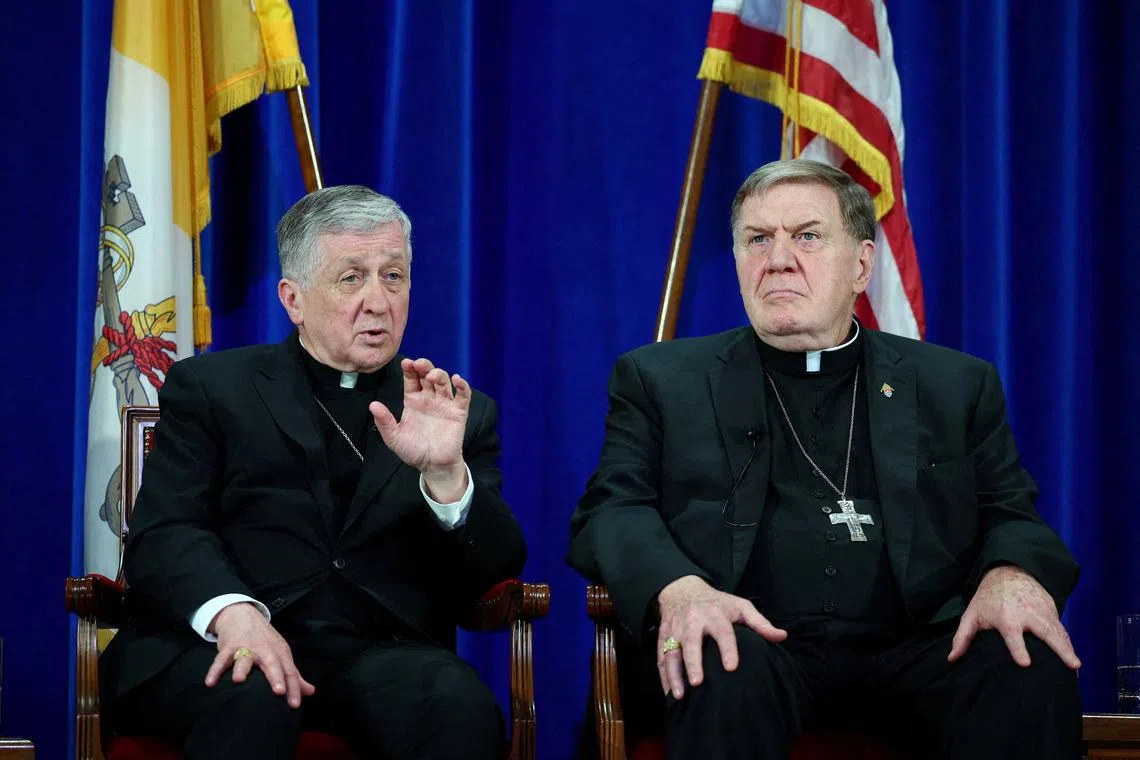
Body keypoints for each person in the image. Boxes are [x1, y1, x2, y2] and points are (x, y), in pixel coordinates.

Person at [568, 159, 1081, 759]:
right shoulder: (660, 380)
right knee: (720, 657)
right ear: (737, 261)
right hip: (755, 644)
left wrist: (1010, 575)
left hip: (914, 647)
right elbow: (611, 511)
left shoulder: (954, 385)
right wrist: (680, 590)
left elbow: (1011, 512)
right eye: (758, 239)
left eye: (807, 236)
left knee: (1025, 663)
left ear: (861, 265)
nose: (779, 258)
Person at [100, 185, 527, 760]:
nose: (378, 301)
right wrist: (232, 614)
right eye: (352, 278)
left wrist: (446, 474)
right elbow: (165, 533)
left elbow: (492, 575)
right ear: (293, 299)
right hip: (220, 643)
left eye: (393, 276)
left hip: (379, 654)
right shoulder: (212, 389)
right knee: (253, 688)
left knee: (454, 703)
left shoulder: (448, 410)